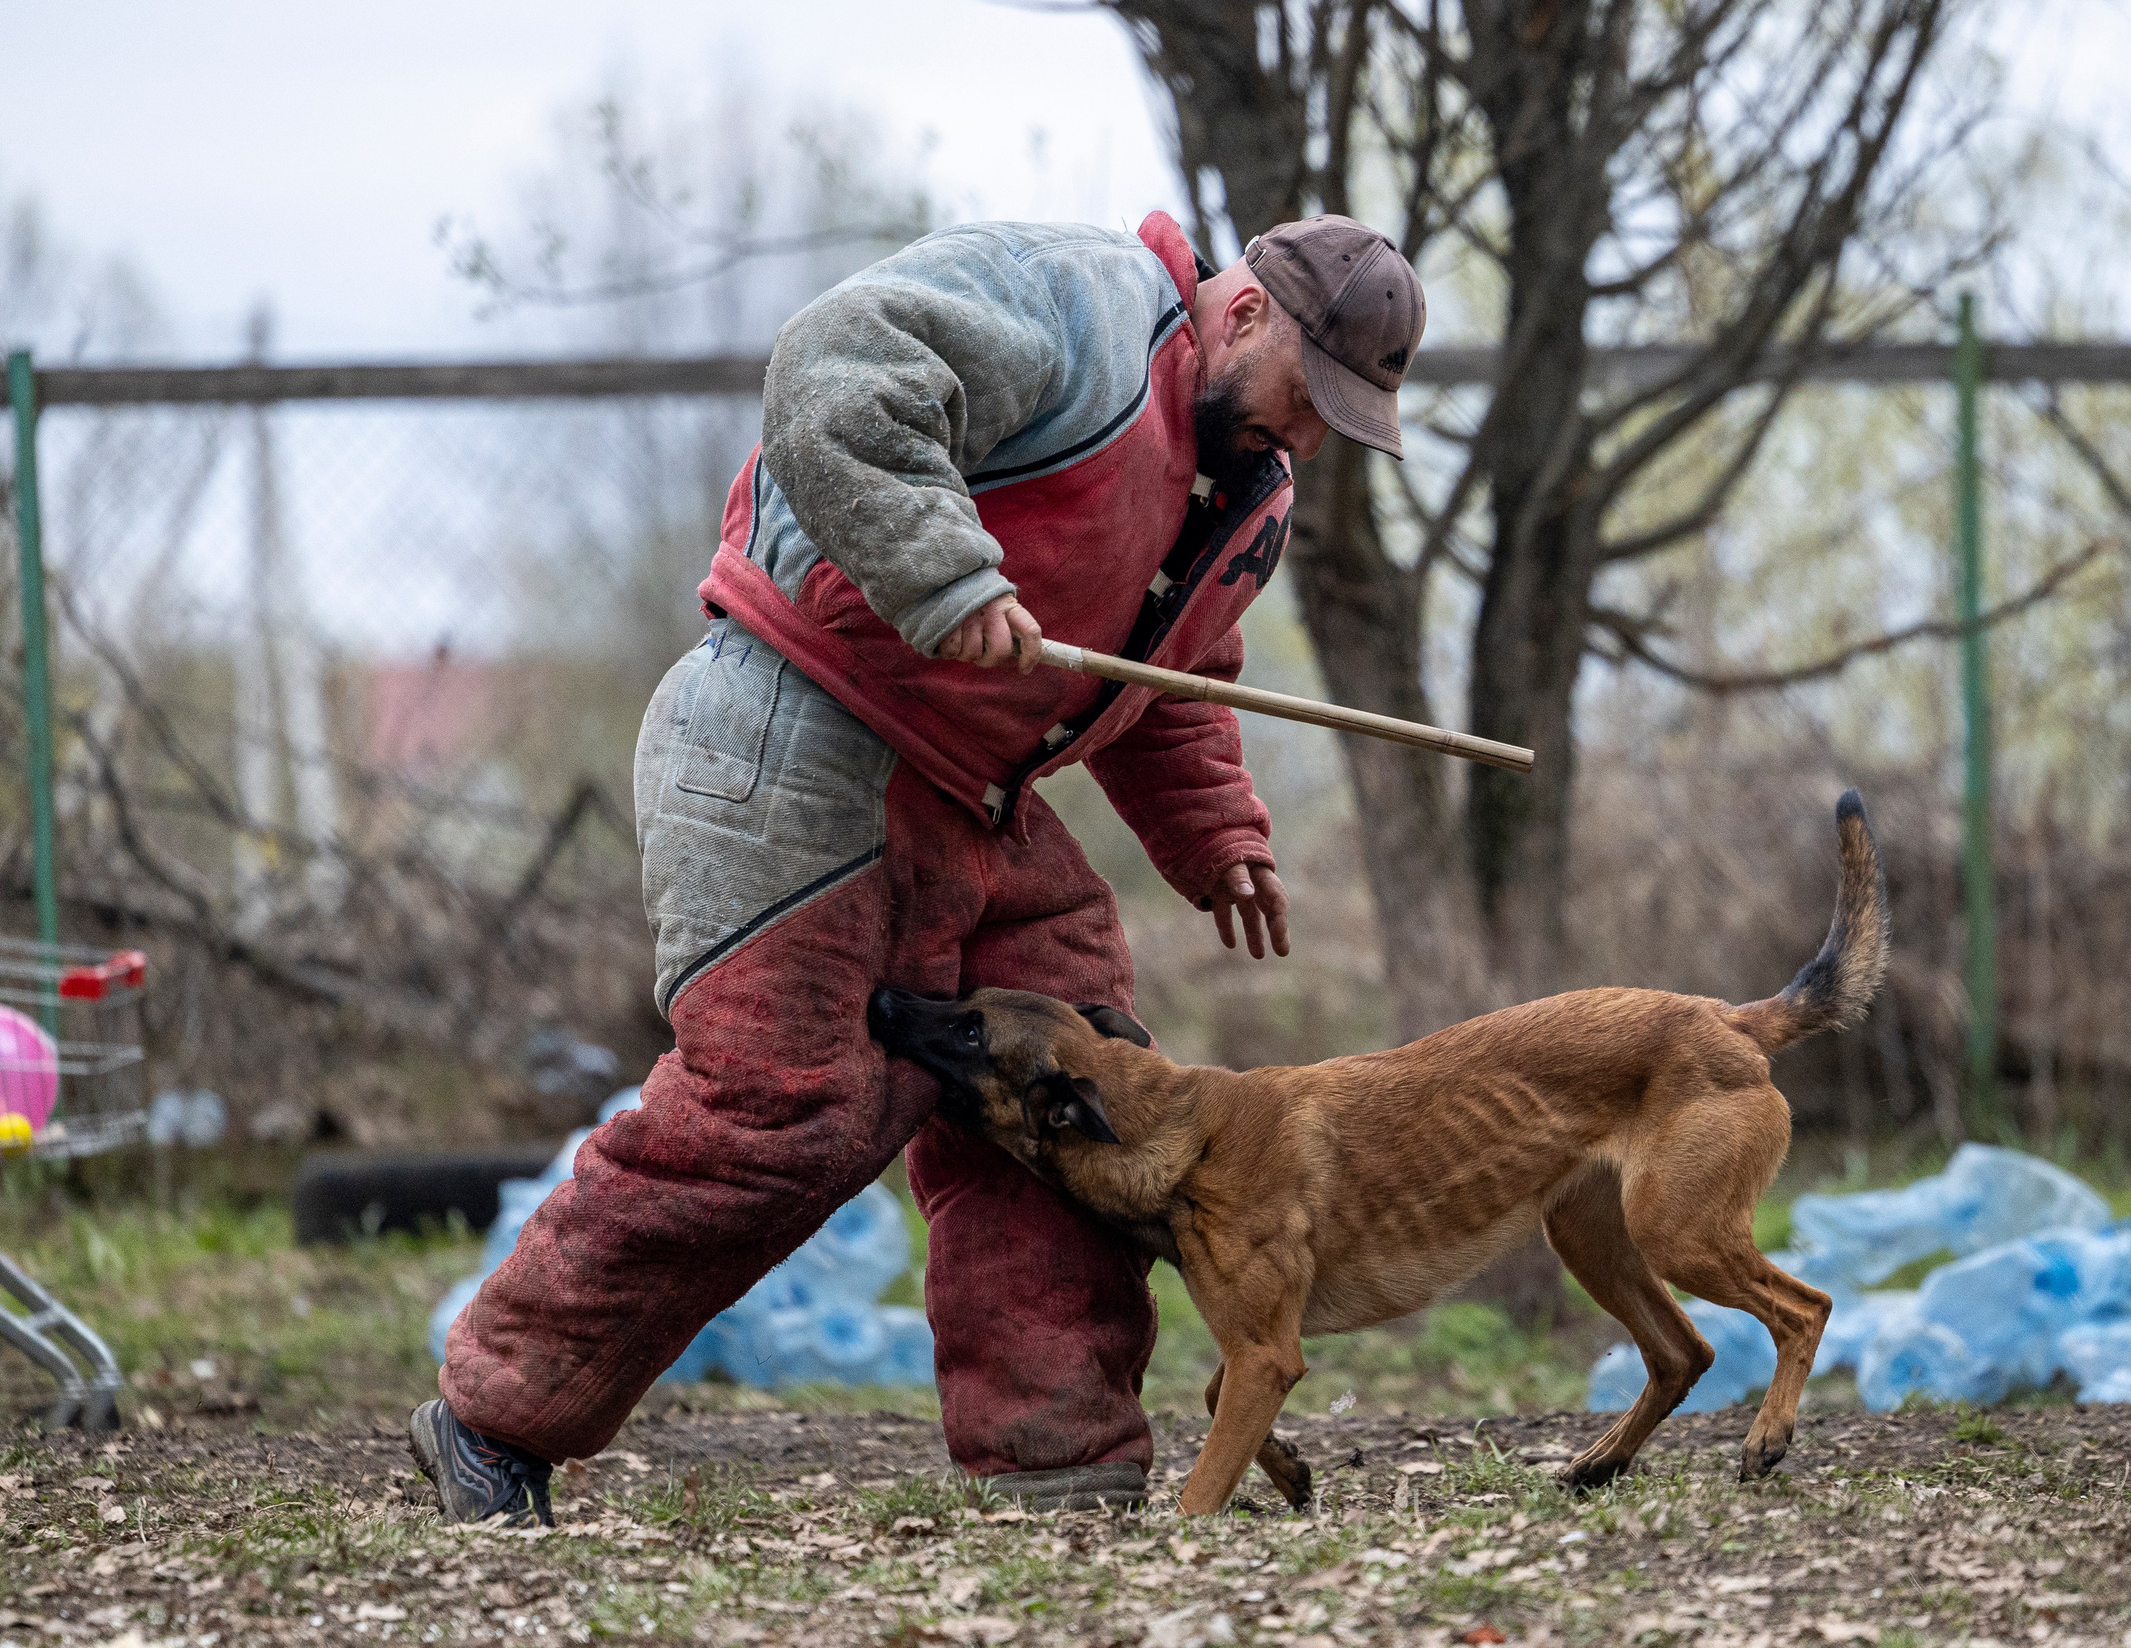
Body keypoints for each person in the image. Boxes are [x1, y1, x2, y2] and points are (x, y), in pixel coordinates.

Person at [409, 211, 1427, 1523]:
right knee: (790, 1109)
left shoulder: (1246, 485)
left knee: (1079, 1087)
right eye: (1308, 399)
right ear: (1245, 319)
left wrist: (1218, 831)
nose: (1306, 440)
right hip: (797, 726)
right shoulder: (1078, 308)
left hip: (974, 793)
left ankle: (1061, 1462)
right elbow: (832, 374)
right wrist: (945, 575)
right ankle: (493, 1416)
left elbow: (1177, 672)